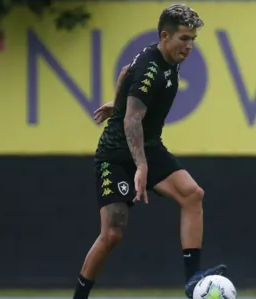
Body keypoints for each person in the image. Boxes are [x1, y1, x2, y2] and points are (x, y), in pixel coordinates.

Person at [72, 4, 227, 299]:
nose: (190, 45)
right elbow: (132, 120)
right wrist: (140, 166)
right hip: (116, 155)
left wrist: (115, 102)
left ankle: (193, 280)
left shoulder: (166, 56)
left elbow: (124, 71)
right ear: (165, 36)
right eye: (184, 38)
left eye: (193, 38)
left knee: (193, 194)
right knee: (113, 232)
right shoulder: (151, 69)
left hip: (148, 145)